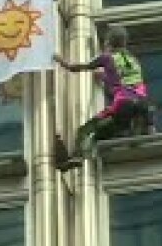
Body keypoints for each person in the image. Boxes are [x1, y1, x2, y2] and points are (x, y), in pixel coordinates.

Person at [55, 24, 155, 162]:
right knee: (118, 127)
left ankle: (77, 157)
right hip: (143, 105)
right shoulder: (133, 60)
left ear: (108, 42)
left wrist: (60, 61)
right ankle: (145, 131)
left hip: (123, 105)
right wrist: (102, 77)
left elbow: (75, 67)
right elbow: (124, 81)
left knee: (85, 131)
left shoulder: (107, 58)